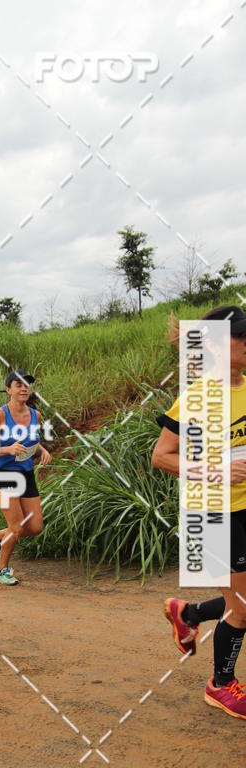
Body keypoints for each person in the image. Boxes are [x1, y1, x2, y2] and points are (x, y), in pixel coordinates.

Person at [152, 304, 246, 720]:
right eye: (242, 336)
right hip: (215, 515)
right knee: (242, 606)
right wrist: (217, 470)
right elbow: (161, 457)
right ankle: (220, 685)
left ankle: (187, 614)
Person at [0, 371, 51, 585]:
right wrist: (7, 449)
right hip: (2, 474)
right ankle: (2, 571)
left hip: (26, 473)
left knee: (35, 527)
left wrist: (42, 450)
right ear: (8, 390)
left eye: (26, 385)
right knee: (17, 527)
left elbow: (31, 440)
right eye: (18, 385)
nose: (23, 388)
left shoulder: (35, 415)